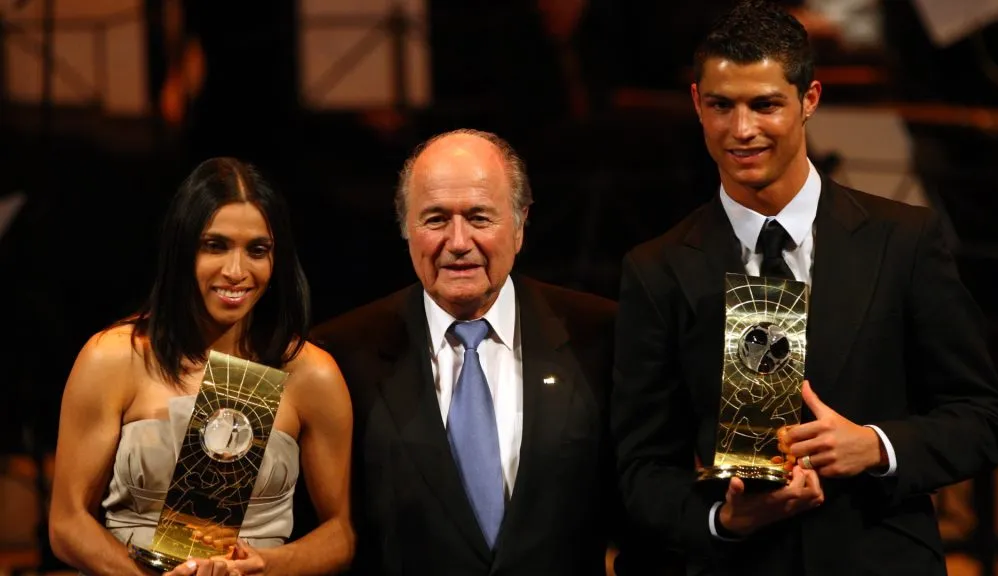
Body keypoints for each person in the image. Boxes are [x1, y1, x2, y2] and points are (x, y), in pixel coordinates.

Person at [610, 1, 998, 575]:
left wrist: (875, 446)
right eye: (722, 105)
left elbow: (986, 420)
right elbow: (642, 468)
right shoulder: (657, 268)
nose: (741, 129)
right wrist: (723, 521)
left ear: (810, 100)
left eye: (765, 104)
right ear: (698, 104)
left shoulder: (904, 241)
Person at [312, 129, 627, 575]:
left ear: (519, 224)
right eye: (436, 219)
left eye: (480, 218)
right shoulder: (340, 356)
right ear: (406, 228)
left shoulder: (603, 335)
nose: (458, 242)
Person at [48, 157, 355, 575]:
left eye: (257, 250)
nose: (235, 271)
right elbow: (67, 523)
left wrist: (266, 565)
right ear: (182, 249)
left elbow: (340, 533)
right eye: (215, 245)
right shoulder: (114, 358)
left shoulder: (311, 373)